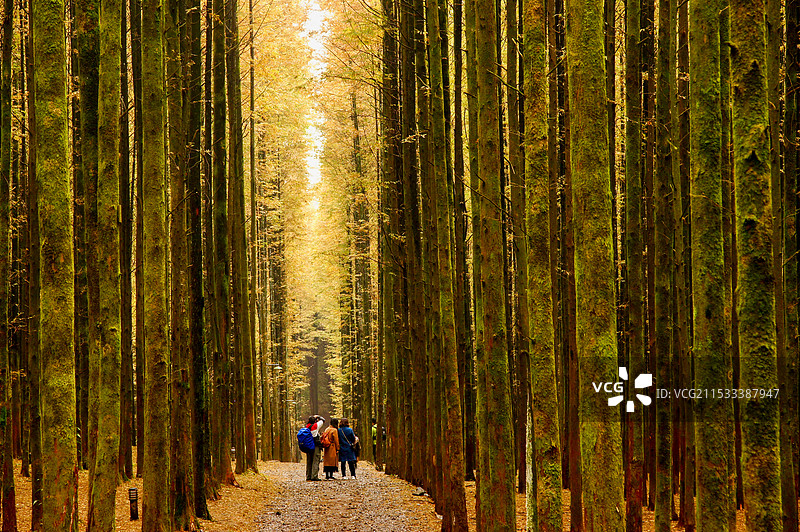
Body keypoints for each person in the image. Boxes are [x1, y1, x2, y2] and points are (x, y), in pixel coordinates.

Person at [305, 415, 325, 481]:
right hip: (315, 445)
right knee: (316, 460)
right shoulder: (315, 426)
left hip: (308, 446)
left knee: (309, 461)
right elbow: (323, 420)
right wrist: (318, 416)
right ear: (315, 421)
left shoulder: (307, 426)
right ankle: (314, 476)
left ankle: (308, 476)